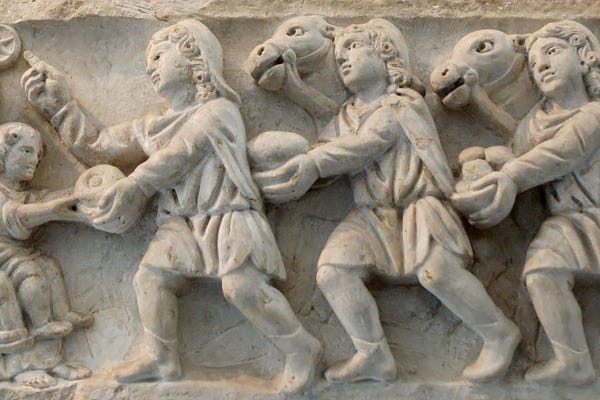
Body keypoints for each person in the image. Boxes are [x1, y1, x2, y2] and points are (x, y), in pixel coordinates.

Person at [21, 19, 322, 394]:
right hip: (179, 221)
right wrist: (60, 106)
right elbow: (100, 146)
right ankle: (162, 357)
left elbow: (180, 154)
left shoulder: (219, 111)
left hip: (227, 214)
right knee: (150, 278)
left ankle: (302, 349)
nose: (150, 66)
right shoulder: (153, 124)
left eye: (159, 56)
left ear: (195, 58)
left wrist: (135, 184)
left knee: (241, 287)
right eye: (149, 60)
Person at [255, 18, 521, 383]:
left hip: (419, 208)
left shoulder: (402, 103)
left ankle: (499, 333)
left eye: (353, 48)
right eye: (339, 56)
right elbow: (329, 149)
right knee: (334, 270)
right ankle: (373, 354)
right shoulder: (347, 114)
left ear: (386, 55)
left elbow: (367, 143)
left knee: (438, 273)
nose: (343, 60)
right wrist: (291, 172)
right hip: (372, 215)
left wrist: (313, 163)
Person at [453, 20, 600, 385]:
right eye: (534, 63)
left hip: (596, 215)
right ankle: (574, 362)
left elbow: (562, 152)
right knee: (541, 271)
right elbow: (521, 146)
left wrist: (511, 175)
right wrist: (486, 165)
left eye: (553, 52)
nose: (542, 65)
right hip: (568, 221)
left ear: (584, 56)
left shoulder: (594, 113)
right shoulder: (537, 119)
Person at [0, 122, 92, 386]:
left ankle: (53, 357)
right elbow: (13, 215)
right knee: (31, 278)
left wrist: (84, 193)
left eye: (38, 155)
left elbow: (45, 198)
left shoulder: (22, 193)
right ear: (3, 153)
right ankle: (20, 366)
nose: (35, 160)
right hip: (5, 261)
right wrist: (51, 210)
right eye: (27, 151)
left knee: (49, 267)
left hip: (17, 255)